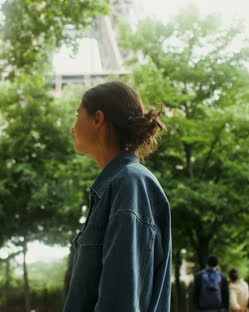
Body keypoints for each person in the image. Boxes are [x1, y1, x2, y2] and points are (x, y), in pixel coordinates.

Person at [63, 81, 172, 311]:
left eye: (77, 115)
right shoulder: (121, 184)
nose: (73, 127)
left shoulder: (129, 184)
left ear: (97, 118)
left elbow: (120, 302)